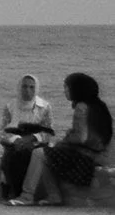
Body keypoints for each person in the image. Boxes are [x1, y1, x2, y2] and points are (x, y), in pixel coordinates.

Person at [9, 72, 110, 207]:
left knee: (39, 153)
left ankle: (27, 196)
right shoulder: (98, 106)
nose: (64, 91)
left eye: (66, 88)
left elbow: (81, 137)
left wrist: (67, 138)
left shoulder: (81, 107)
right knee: (48, 153)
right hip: (100, 155)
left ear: (77, 89)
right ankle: (54, 195)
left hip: (89, 156)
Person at [0, 73, 56, 200]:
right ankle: (13, 190)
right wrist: (17, 140)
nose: (27, 90)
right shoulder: (10, 107)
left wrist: (32, 138)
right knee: (13, 154)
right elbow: (4, 131)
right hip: (15, 144)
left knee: (25, 153)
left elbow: (49, 133)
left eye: (31, 87)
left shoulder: (44, 107)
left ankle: (22, 193)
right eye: (24, 87)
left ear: (36, 89)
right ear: (19, 87)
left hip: (36, 144)